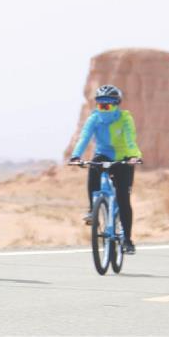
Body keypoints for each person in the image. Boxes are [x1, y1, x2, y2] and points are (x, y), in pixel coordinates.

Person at [69, 85, 142, 254]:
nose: (103, 108)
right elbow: (84, 137)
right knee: (93, 168)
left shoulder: (125, 118)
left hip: (124, 158)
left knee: (123, 199)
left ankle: (127, 240)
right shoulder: (94, 118)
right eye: (100, 104)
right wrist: (76, 156)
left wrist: (133, 156)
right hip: (103, 155)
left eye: (107, 105)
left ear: (116, 104)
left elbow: (130, 139)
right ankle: (92, 209)